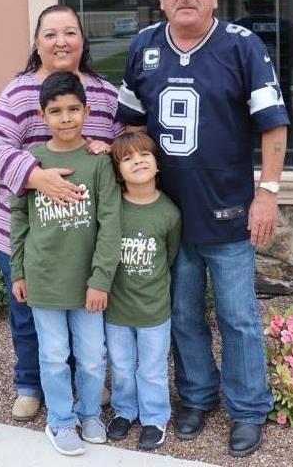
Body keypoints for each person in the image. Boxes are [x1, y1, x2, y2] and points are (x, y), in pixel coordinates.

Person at [115, 0, 289, 458]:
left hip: (229, 212)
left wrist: (267, 193)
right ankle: (196, 397)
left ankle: (248, 408)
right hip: (167, 215)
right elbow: (132, 126)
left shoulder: (242, 45)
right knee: (183, 315)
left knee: (238, 319)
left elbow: (273, 125)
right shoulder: (145, 45)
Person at [0, 5, 124, 421]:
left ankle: (83, 380)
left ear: (82, 39)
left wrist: (112, 149)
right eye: (50, 34)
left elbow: (130, 145)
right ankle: (29, 383)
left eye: (70, 32)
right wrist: (34, 176)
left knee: (83, 311)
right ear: (37, 43)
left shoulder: (103, 94)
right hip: (27, 235)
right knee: (29, 315)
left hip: (83, 236)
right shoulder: (20, 93)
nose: (61, 42)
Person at [10, 71, 121, 456]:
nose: (66, 118)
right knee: (54, 355)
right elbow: (19, 219)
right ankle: (60, 419)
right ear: (42, 115)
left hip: (87, 282)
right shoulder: (32, 163)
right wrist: (18, 270)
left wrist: (101, 279)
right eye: (56, 111)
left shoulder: (98, 161)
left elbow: (111, 223)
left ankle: (89, 413)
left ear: (87, 111)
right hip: (44, 278)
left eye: (74, 109)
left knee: (91, 357)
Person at [105, 133, 181, 450]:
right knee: (121, 367)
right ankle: (125, 410)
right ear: (118, 172)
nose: (137, 161)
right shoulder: (112, 209)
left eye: (144, 155)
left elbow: (170, 256)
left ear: (157, 163)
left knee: (152, 369)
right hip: (116, 309)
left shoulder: (169, 213)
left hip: (154, 310)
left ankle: (154, 417)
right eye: (127, 158)